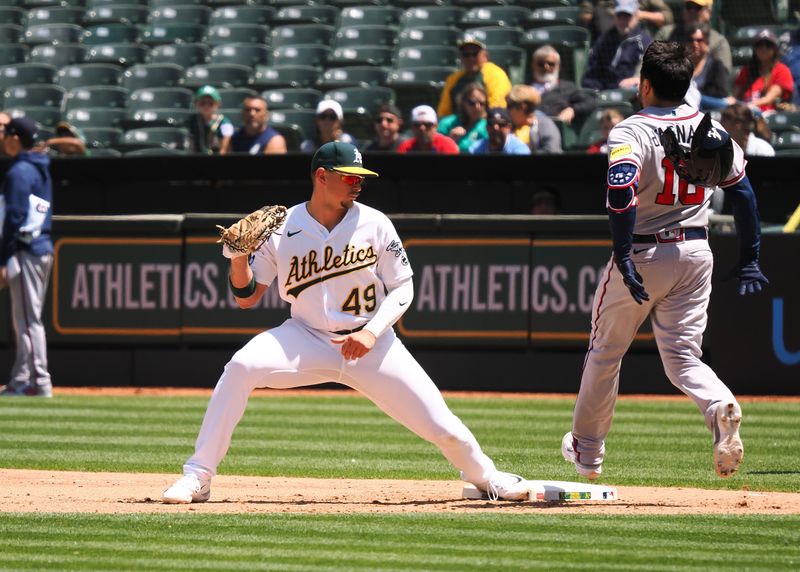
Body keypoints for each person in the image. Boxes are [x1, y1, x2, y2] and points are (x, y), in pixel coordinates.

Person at [161, 141, 533, 504]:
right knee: (241, 365)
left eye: (361, 177)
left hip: (372, 342)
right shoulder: (283, 226)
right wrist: (238, 258)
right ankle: (197, 476)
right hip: (306, 336)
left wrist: (372, 332)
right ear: (322, 176)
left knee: (444, 428)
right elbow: (246, 298)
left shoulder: (375, 223)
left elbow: (404, 286)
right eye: (350, 177)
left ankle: (487, 478)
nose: (358, 183)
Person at [562, 41, 768, 483]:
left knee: (605, 351)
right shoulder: (713, 129)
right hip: (696, 250)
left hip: (643, 248)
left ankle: (588, 452)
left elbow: (621, 194)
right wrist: (750, 256)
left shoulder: (630, 130)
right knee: (683, 358)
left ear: (646, 84)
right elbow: (744, 194)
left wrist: (622, 254)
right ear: (689, 82)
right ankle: (719, 406)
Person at [0, 118, 54, 398]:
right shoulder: (36, 166)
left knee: (29, 321)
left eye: (6, 134)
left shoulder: (20, 171)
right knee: (25, 319)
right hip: (39, 247)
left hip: (27, 249)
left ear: (15, 138)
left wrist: (3, 258)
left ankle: (38, 381)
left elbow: (15, 218)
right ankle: (21, 378)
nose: (3, 139)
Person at [582, 0, 653, 91]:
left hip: (631, 95)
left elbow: (651, 75)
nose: (623, 21)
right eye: (620, 16)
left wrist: (639, 79)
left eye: (627, 16)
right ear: (614, 17)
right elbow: (592, 72)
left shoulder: (645, 42)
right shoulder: (605, 40)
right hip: (603, 93)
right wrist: (594, 89)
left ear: (636, 16)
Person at [437, 35, 512, 118]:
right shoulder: (453, 79)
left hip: (487, 125)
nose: (471, 58)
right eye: (466, 55)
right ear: (460, 57)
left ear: (485, 55)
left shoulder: (495, 75)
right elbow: (443, 113)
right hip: (458, 125)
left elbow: (496, 109)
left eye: (475, 54)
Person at [655, 0, 732, 73]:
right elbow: (650, 66)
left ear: (709, 12)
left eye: (697, 7)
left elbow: (721, 77)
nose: (692, 11)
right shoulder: (666, 34)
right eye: (689, 6)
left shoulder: (718, 43)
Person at [530, 45, 597, 127]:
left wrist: (572, 109)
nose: (546, 67)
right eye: (541, 64)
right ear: (533, 65)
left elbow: (591, 102)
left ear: (558, 67)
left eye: (551, 64)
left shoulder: (567, 87)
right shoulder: (525, 89)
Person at [733, 30, 795, 114]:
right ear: (755, 49)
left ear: (775, 49)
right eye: (759, 45)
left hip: (768, 115)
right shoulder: (746, 70)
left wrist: (747, 106)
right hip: (745, 115)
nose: (764, 48)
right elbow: (736, 97)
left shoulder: (782, 70)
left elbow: (769, 99)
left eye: (768, 45)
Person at [682, 23, 732, 111]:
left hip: (708, 108)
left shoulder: (716, 66)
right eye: (691, 40)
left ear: (707, 42)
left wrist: (696, 95)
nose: (695, 43)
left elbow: (721, 92)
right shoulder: (681, 66)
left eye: (699, 40)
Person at [506, 85, 563, 154]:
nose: (507, 110)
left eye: (509, 106)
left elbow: (551, 151)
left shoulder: (545, 125)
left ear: (522, 107)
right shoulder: (509, 126)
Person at [580, 0, 673, 41]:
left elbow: (667, 17)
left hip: (637, 34)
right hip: (607, 30)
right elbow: (586, 14)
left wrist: (640, 14)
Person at [437, 83, 489, 154]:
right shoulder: (447, 123)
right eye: (472, 103)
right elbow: (435, 148)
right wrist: (450, 140)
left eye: (482, 103)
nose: (477, 107)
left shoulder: (488, 127)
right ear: (463, 103)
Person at [192, 85, 233, 155]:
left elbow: (224, 149)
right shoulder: (193, 120)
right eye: (202, 103)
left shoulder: (224, 122)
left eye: (210, 103)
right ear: (196, 103)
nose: (206, 106)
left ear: (218, 104)